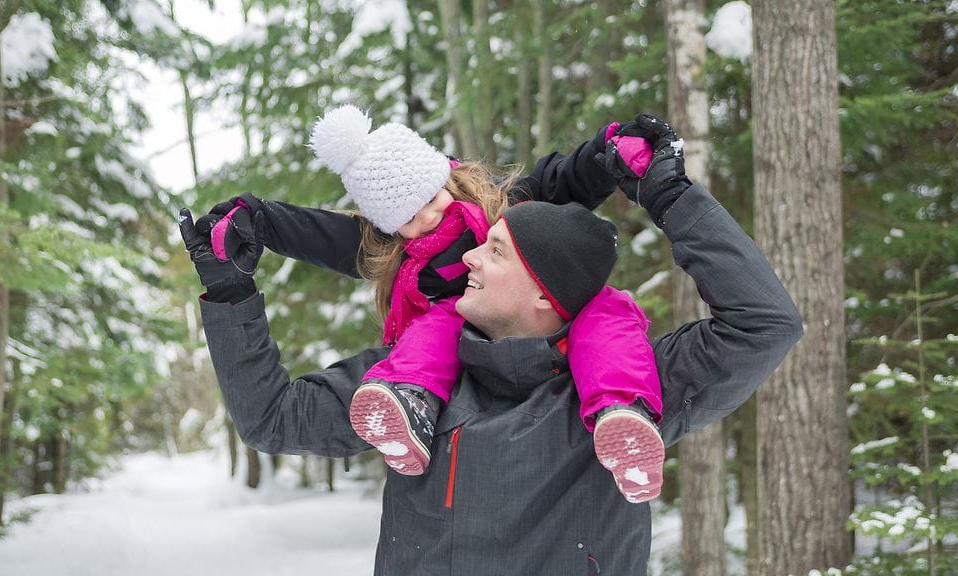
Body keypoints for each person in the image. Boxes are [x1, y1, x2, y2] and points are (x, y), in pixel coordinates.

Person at [179, 113, 803, 574]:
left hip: (607, 399)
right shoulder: (403, 383)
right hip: (416, 394)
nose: (468, 255)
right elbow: (272, 418)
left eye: (495, 250)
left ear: (542, 290)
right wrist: (231, 291)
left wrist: (668, 194)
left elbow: (764, 323)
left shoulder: (639, 381)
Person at [199, 105, 665, 501]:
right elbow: (321, 235)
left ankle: (623, 414)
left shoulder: (504, 203)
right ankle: (407, 401)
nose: (426, 217)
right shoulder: (400, 259)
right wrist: (257, 220)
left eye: (429, 197)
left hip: (554, 316)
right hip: (459, 345)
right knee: (441, 321)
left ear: (445, 174)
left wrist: (610, 155)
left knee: (607, 314)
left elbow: (567, 179)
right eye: (407, 218)